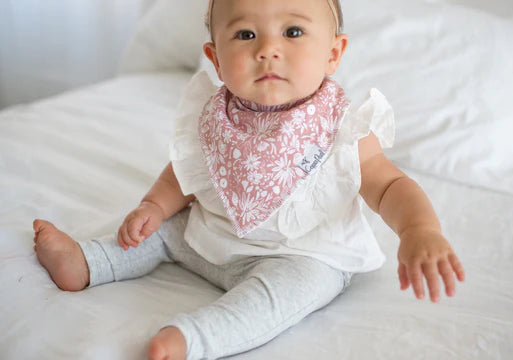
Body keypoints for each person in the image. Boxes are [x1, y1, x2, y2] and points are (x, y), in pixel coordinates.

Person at [32, 0, 466, 359]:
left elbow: (389, 185)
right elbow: (188, 173)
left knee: (284, 296)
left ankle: (191, 339)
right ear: (217, 59)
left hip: (301, 254)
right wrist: (153, 206)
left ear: (334, 53)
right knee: (158, 232)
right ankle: (88, 262)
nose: (268, 50)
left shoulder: (343, 125)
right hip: (210, 236)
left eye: (293, 32)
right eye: (245, 35)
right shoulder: (215, 114)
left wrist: (419, 229)